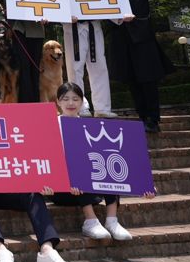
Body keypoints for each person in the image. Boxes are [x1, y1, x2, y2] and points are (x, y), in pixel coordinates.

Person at [0, 83, 74, 262]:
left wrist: (45, 181)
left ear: (0, 102)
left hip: (10, 186)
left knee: (33, 193)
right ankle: (1, 250)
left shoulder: (15, 125)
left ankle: (47, 250)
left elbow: (33, 155)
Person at [50, 82, 155, 241]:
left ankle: (112, 220)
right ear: (58, 102)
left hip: (90, 188)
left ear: (82, 102)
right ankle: (90, 221)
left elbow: (126, 158)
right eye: (65, 99)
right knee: (82, 170)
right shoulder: (52, 126)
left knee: (110, 166)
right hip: (64, 190)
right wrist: (68, 179)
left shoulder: (91, 126)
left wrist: (144, 184)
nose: (71, 103)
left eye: (75, 99)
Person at [101, 0, 173, 133]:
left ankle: (153, 119)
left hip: (140, 35)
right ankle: (143, 117)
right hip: (118, 36)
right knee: (130, 79)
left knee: (148, 78)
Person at [54, 0, 115, 118]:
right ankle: (80, 107)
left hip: (93, 26)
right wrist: (65, 16)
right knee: (75, 69)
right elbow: (55, 7)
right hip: (71, 28)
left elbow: (106, 5)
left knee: (99, 66)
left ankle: (103, 108)